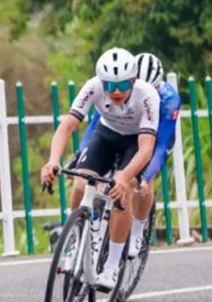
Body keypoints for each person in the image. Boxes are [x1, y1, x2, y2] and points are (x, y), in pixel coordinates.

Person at [39, 47, 160, 291]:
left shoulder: (147, 96)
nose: (116, 91)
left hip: (135, 142)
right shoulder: (92, 86)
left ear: (133, 80)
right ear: (101, 81)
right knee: (81, 184)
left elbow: (146, 148)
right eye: (110, 85)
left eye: (123, 85)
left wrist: (125, 177)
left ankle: (112, 267)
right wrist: (53, 160)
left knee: (121, 192)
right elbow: (67, 127)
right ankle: (78, 236)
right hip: (105, 134)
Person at [66, 52, 182, 257]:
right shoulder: (116, 88)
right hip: (116, 130)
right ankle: (91, 226)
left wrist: (144, 177)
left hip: (152, 136)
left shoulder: (167, 99)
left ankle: (138, 232)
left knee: (141, 184)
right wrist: (79, 156)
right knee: (92, 179)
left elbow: (159, 146)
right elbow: (95, 126)